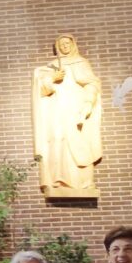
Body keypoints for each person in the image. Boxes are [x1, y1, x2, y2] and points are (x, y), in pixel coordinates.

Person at [31, 34, 103, 197]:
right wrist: (51, 79)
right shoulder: (52, 66)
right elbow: (42, 90)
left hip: (75, 108)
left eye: (67, 43)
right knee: (59, 141)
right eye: (61, 44)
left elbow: (91, 83)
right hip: (57, 109)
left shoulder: (81, 62)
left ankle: (84, 182)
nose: (64, 47)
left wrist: (88, 104)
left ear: (73, 44)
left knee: (80, 142)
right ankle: (60, 180)